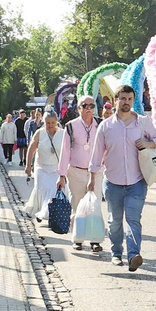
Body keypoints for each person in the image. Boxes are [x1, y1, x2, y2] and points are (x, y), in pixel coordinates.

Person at [93, 84, 156, 269]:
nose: (126, 102)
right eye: (123, 98)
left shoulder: (142, 122)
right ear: (116, 100)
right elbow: (96, 154)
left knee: (133, 219)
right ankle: (116, 253)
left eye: (130, 99)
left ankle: (133, 255)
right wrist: (91, 179)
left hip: (137, 182)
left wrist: (148, 143)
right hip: (113, 183)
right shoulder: (105, 126)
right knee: (115, 221)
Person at [56, 94, 100, 249]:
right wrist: (62, 175)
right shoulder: (71, 126)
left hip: (97, 172)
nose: (89, 109)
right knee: (78, 205)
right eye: (85, 106)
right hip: (76, 172)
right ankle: (77, 239)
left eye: (91, 106)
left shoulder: (100, 125)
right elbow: (65, 151)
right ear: (78, 108)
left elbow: (107, 148)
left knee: (95, 206)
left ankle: (95, 240)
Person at [22, 108, 65, 219]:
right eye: (47, 123)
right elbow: (31, 149)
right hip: (41, 167)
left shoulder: (63, 134)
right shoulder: (39, 133)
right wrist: (28, 166)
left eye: (52, 123)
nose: (50, 125)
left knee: (53, 189)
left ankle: (47, 213)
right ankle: (41, 211)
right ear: (44, 122)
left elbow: (67, 152)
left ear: (56, 122)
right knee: (41, 189)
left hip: (56, 168)